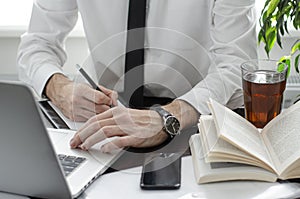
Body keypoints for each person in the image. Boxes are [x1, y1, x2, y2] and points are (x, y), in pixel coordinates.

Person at [17, 0, 257, 153]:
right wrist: (60, 89)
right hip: (101, 118)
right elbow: (37, 44)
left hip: (193, 117)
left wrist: (167, 117)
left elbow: (235, 64)